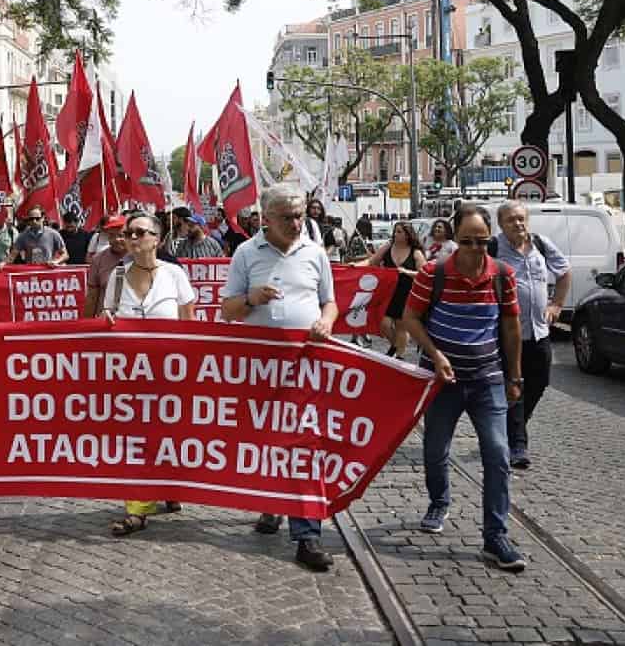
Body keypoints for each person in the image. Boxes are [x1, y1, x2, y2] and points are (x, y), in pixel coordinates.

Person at [399, 204, 527, 572]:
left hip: (487, 379)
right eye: (469, 241)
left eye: (483, 241)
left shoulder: (502, 275)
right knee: (436, 449)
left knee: (499, 454)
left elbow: (511, 328)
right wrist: (436, 356)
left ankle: (495, 536)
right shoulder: (433, 274)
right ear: (455, 239)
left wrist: (514, 376)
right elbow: (410, 319)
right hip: (443, 381)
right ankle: (439, 501)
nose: (476, 248)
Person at [219, 184, 339, 572]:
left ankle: (307, 535)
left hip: (305, 364)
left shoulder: (315, 252)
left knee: (304, 443)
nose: (296, 223)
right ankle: (271, 504)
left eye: (300, 215)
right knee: (266, 440)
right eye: (287, 217)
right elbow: (228, 311)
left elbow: (330, 301)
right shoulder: (245, 253)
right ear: (265, 219)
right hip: (260, 368)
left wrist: (325, 321)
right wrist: (251, 299)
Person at [98, 212, 196, 536]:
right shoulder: (117, 276)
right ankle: (137, 509)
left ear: (157, 238)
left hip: (170, 374)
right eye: (129, 233)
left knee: (168, 436)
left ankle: (169, 486)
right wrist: (107, 320)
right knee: (136, 439)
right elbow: (105, 316)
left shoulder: (175, 275)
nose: (133, 238)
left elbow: (190, 326)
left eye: (140, 232)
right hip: (130, 375)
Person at [492, 201, 571, 470]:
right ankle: (518, 445)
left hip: (539, 332)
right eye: (511, 220)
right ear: (501, 224)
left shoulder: (541, 244)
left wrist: (557, 305)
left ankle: (513, 428)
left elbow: (564, 271)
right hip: (506, 334)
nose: (518, 224)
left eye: (521, 218)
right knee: (514, 386)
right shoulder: (493, 249)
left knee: (540, 382)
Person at [359, 220, 422, 356]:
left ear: (407, 235)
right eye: (395, 231)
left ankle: (399, 355)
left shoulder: (415, 253)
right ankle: (395, 345)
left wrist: (406, 272)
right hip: (388, 291)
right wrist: (356, 265)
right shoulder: (388, 246)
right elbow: (372, 261)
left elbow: (423, 274)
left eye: (399, 231)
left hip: (406, 292)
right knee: (384, 324)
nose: (395, 234)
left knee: (401, 326)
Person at [83, 215, 130, 317]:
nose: (116, 239)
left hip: (133, 321)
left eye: (121, 235)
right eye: (112, 235)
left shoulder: (140, 257)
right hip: (106, 320)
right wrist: (87, 326)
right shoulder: (98, 259)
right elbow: (92, 296)